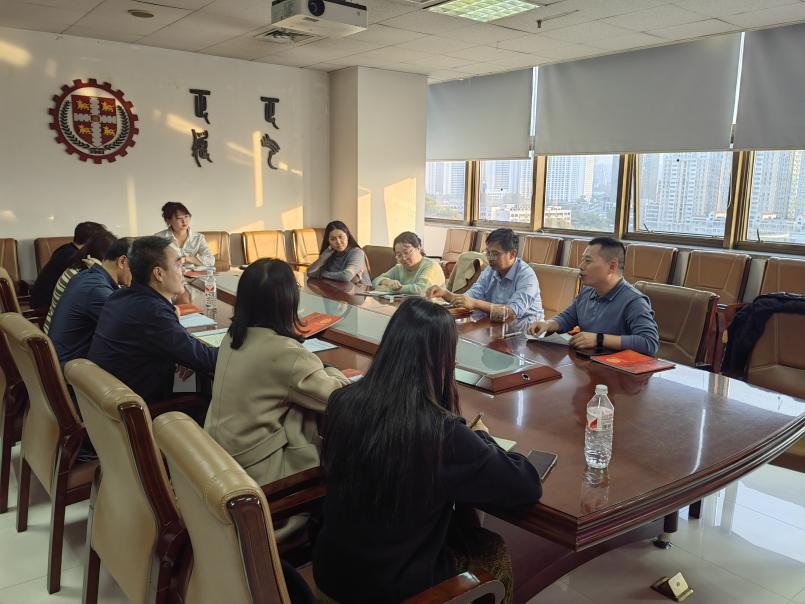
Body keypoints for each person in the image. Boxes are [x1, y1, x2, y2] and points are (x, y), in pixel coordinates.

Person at [313, 298, 542, 604]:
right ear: (444, 360)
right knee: (492, 552)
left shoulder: (343, 401)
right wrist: (483, 438)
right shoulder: (441, 432)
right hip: (392, 592)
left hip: (331, 576)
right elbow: (525, 485)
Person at [205, 259, 350, 540]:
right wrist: (332, 370)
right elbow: (340, 400)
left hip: (220, 463)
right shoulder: (286, 353)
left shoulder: (233, 336)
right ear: (288, 301)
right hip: (258, 481)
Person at [88, 236, 218, 404]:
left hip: (106, 402)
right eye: (179, 265)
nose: (183, 272)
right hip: (140, 409)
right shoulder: (153, 312)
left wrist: (183, 355)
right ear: (158, 273)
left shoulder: (119, 296)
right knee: (208, 392)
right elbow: (207, 360)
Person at [527, 237, 659, 356]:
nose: (581, 266)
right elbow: (568, 318)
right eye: (582, 260)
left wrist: (599, 339)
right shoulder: (587, 292)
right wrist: (547, 324)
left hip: (618, 369)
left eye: (588, 261)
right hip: (588, 363)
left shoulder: (634, 301)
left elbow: (650, 343)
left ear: (612, 266)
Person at [426, 228, 543, 323]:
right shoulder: (490, 270)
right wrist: (445, 294)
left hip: (527, 332)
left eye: (495, 254)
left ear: (512, 254)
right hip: (496, 326)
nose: (490, 258)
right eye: (488, 252)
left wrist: (475, 304)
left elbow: (511, 313)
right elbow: (470, 297)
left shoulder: (527, 276)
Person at [49, 239, 132, 367]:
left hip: (64, 360)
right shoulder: (97, 289)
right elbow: (129, 330)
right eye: (139, 266)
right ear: (122, 261)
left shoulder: (86, 275)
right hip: (72, 369)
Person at [43, 230, 118, 334]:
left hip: (57, 330)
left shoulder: (77, 266)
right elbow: (113, 307)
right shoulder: (85, 276)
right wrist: (100, 269)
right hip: (63, 335)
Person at [30, 221, 107, 309]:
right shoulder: (72, 256)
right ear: (91, 241)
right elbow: (89, 284)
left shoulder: (66, 249)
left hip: (43, 301)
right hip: (46, 306)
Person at [372, 231, 445, 295]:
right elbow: (375, 281)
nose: (404, 258)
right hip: (409, 304)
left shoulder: (431, 266)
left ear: (418, 248)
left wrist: (391, 289)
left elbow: (421, 290)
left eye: (406, 252)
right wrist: (388, 282)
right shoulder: (399, 268)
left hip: (432, 305)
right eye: (399, 255)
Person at [307, 221, 371, 285]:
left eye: (341, 237)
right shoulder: (329, 254)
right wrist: (323, 257)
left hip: (361, 290)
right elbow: (310, 273)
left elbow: (346, 276)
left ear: (347, 236)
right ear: (328, 241)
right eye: (333, 239)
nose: (338, 242)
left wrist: (323, 274)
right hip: (337, 289)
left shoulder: (357, 253)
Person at [155, 201, 215, 267]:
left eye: (186, 216)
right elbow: (152, 261)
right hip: (170, 272)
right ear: (168, 220)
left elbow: (210, 260)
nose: (184, 221)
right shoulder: (159, 238)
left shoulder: (198, 237)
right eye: (179, 218)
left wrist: (187, 259)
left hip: (192, 273)